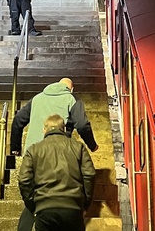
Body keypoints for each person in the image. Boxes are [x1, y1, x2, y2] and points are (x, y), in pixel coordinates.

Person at [12, 78, 99, 231]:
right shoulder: (71, 99)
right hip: (65, 155)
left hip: (35, 155)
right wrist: (92, 145)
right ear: (71, 89)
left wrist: (15, 148)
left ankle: (36, 211)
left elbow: (18, 119)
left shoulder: (37, 98)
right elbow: (83, 124)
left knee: (39, 194)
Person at [18, 114, 96, 231]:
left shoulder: (33, 150)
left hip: (45, 208)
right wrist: (85, 204)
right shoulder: (78, 147)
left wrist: (33, 204)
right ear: (63, 129)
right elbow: (89, 174)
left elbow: (24, 179)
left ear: (44, 130)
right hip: (73, 207)